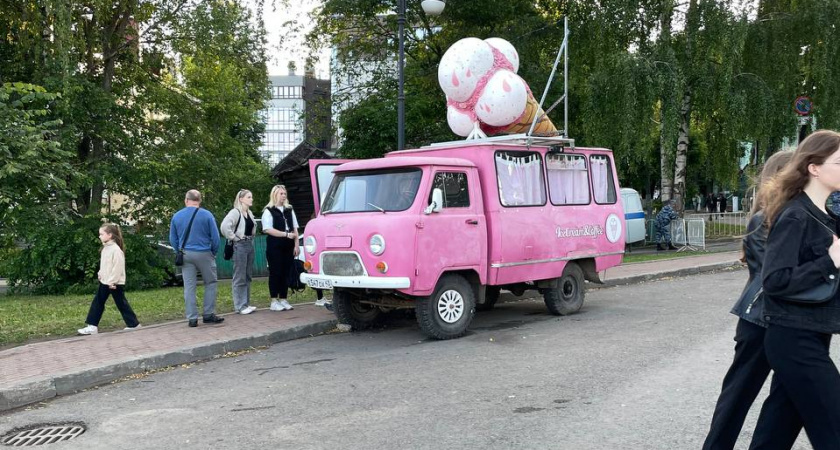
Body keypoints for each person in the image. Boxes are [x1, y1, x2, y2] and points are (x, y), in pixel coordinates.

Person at [748, 130, 840, 449]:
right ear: (814, 167)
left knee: (775, 434)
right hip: (793, 340)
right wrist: (828, 262)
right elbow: (774, 281)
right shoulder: (795, 215)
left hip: (812, 336)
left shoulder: (827, 218)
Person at [702, 151, 793, 450]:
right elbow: (776, 276)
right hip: (759, 323)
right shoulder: (762, 221)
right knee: (738, 396)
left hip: (790, 324)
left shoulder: (796, 218)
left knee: (786, 401)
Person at [169, 189, 223, 327]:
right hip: (204, 253)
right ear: (199, 201)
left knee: (189, 287)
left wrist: (179, 250)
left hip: (185, 254)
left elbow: (173, 239)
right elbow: (215, 237)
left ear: (186, 200)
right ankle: (208, 314)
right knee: (210, 283)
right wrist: (213, 252)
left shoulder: (177, 216)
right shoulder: (207, 215)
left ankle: (192, 318)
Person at [78, 223, 141, 335]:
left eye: (102, 234)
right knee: (100, 301)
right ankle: (133, 324)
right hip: (106, 281)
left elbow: (118, 267)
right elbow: (106, 265)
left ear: (110, 235)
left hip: (113, 282)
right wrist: (100, 273)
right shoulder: (106, 248)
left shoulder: (116, 250)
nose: (99, 236)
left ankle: (134, 324)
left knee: (120, 303)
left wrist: (112, 281)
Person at [262, 185, 299, 312]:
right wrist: (285, 234)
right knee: (275, 272)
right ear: (275, 195)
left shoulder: (289, 209)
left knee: (286, 272)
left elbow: (295, 228)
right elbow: (267, 229)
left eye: (285, 193)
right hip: (275, 246)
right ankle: (274, 300)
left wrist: (296, 244)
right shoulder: (269, 210)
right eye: (281, 194)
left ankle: (283, 298)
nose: (284, 196)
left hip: (288, 246)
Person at [221, 189, 257, 315]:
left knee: (247, 275)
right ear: (241, 199)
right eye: (248, 197)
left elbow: (252, 228)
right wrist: (234, 238)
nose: (251, 199)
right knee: (239, 276)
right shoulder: (235, 212)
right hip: (239, 246)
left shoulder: (249, 213)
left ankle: (245, 303)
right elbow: (224, 226)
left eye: (251, 197)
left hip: (249, 244)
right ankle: (240, 306)